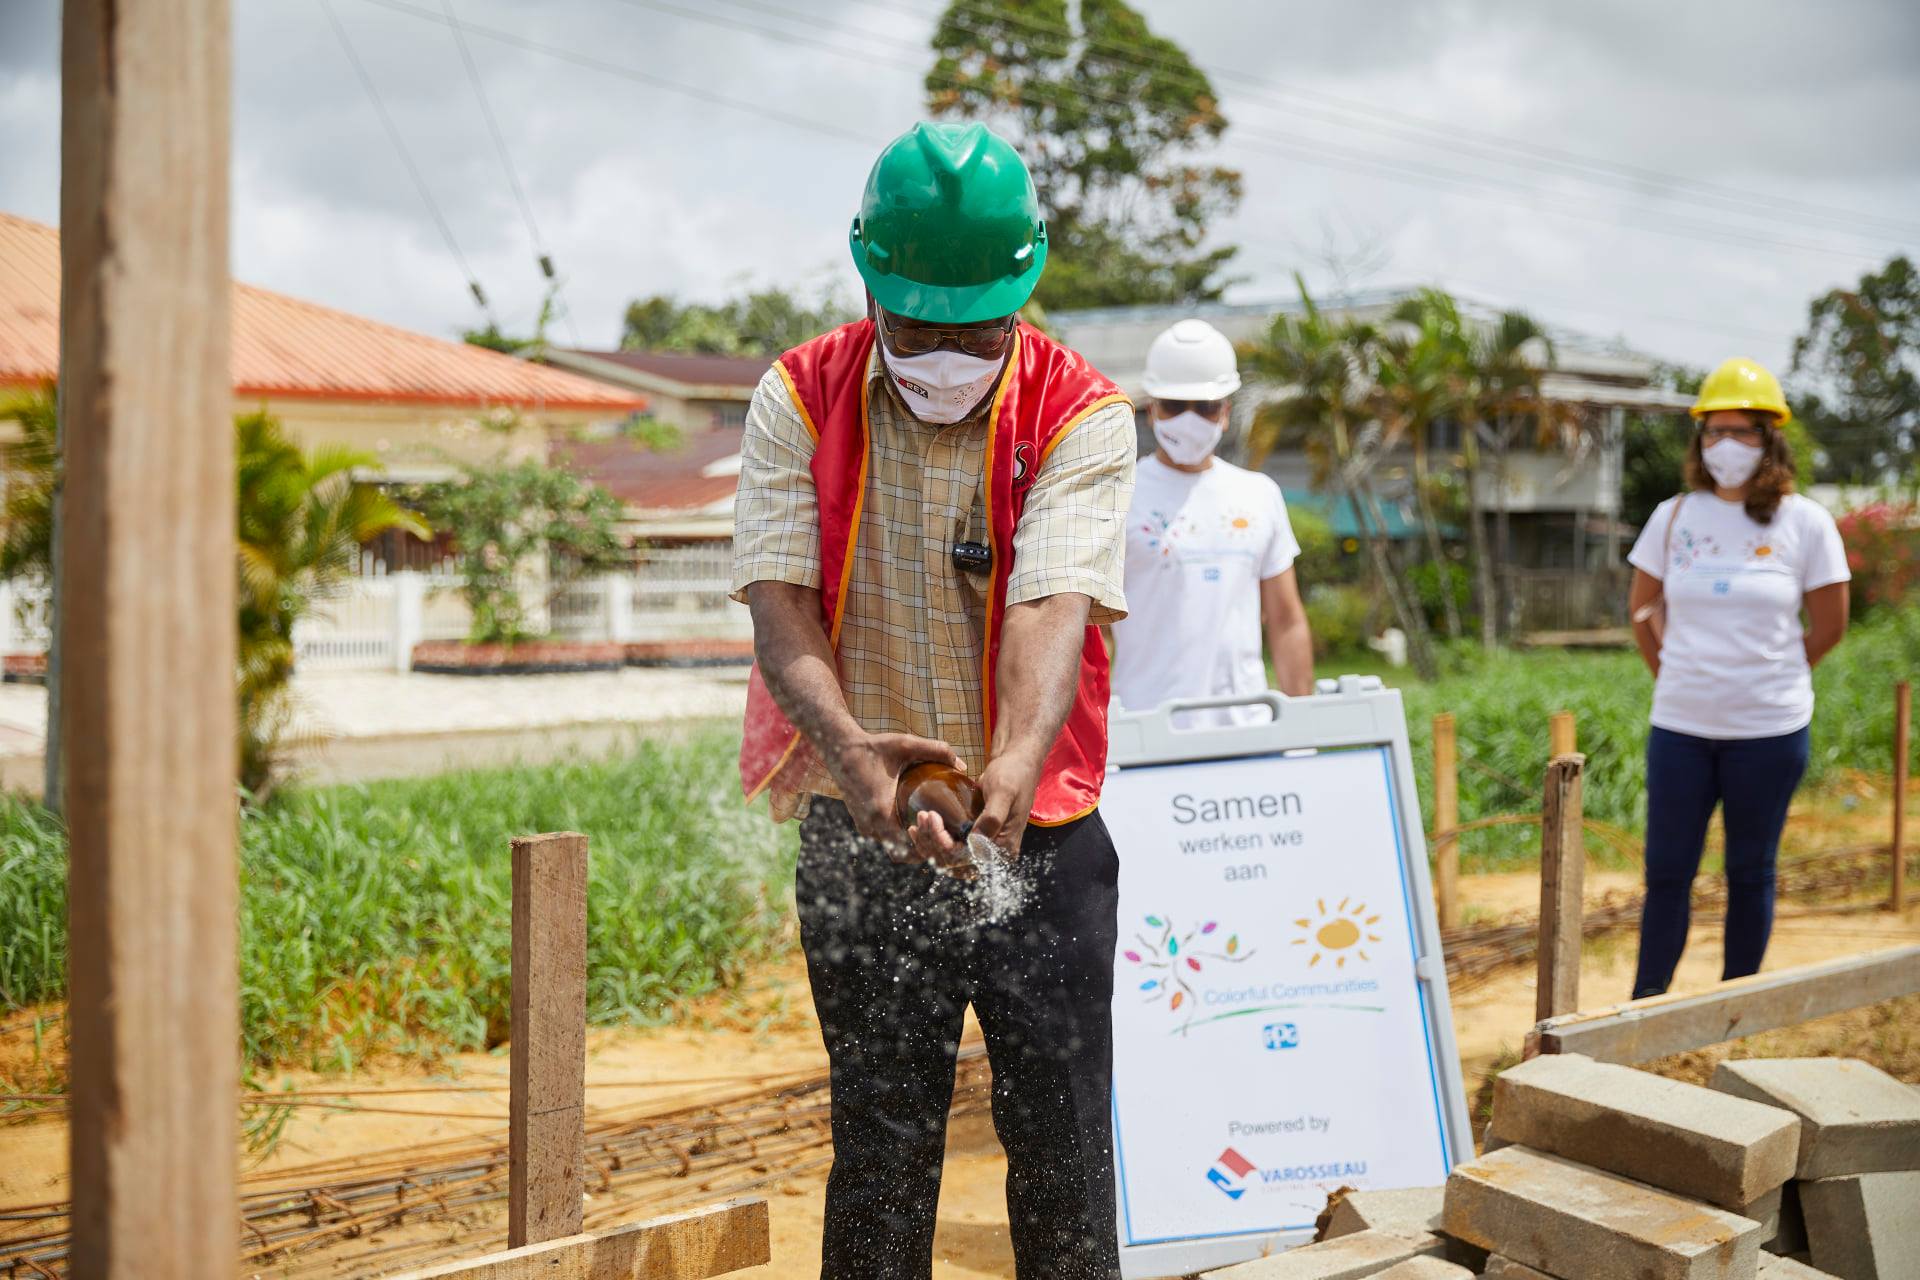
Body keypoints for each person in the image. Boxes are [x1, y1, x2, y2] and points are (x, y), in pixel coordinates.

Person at [730, 121, 1135, 1279]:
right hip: (862, 820)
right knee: (881, 1142)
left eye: (978, 329)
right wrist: (852, 751)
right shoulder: (797, 396)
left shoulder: (1082, 411)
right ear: (869, 281)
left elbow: (1049, 604)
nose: (948, 353)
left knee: (1061, 1144)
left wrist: (1014, 761)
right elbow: (780, 601)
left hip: (1035, 827)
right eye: (919, 328)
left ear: (1023, 293)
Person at [1625, 357, 1850, 999]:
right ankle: (1647, 1005)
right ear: (1700, 440)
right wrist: (1677, 676)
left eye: (1742, 431)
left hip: (1769, 731)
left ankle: (1736, 1008)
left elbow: (1829, 625)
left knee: (1750, 872)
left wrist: (1769, 677)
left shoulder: (1805, 522)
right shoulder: (1674, 516)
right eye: (1714, 430)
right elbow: (1641, 611)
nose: (1726, 444)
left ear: (1770, 438)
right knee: (1668, 873)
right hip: (1681, 728)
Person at [1110, 318, 1314, 724]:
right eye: (1175, 406)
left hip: (1246, 727)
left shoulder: (1259, 494)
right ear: (1151, 410)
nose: (1190, 420)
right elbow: (1095, 634)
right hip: (1147, 729)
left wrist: (1304, 726)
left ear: (1225, 412)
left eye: (1205, 407)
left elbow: (1286, 621)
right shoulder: (1117, 497)